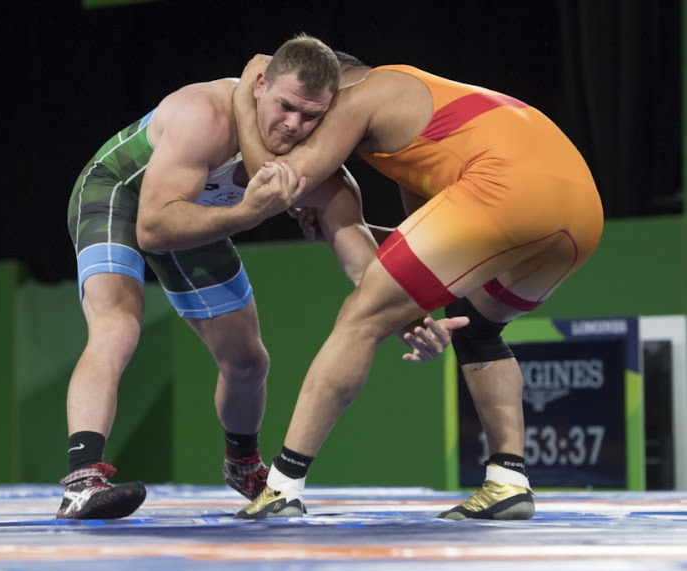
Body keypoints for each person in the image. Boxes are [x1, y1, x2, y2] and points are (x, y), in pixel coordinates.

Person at [230, 52, 604, 520]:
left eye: (311, 114)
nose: (301, 125)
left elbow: (272, 185)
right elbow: (429, 243)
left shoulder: (358, 95)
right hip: (582, 211)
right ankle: (508, 480)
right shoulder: (419, 119)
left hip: (508, 188)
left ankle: (282, 486)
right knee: (480, 331)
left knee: (359, 317)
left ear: (336, 84)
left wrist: (248, 97)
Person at [58, 34, 378, 520]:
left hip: (193, 213)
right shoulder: (204, 115)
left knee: (249, 363)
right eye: (286, 107)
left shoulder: (316, 154)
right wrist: (246, 215)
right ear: (260, 86)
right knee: (118, 326)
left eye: (311, 116)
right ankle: (81, 482)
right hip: (120, 196)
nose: (293, 126)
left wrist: (407, 308)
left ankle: (243, 464)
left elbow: (353, 242)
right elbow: (152, 228)